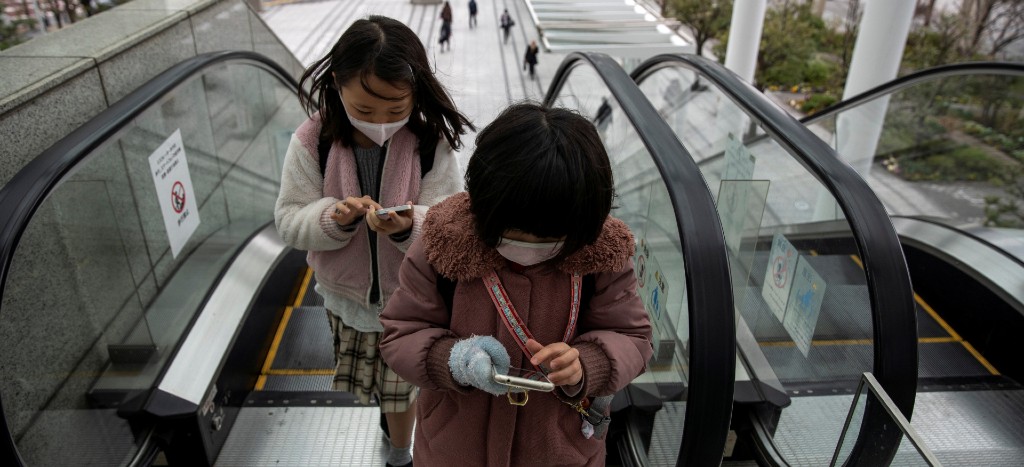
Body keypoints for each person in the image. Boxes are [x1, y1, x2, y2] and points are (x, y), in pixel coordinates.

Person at [379, 103, 654, 466]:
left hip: (560, 450)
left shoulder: (602, 257)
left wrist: (587, 364)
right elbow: (401, 333)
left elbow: (633, 337)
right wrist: (455, 361)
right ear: (483, 205)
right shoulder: (440, 245)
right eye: (513, 234)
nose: (530, 248)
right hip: (454, 449)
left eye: (550, 239)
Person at [274, 15, 472, 467]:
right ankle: (394, 430)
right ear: (337, 87)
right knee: (382, 389)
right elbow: (287, 219)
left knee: (402, 391)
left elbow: (450, 224)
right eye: (364, 110)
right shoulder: (314, 141)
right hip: (346, 298)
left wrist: (408, 226)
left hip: (412, 300)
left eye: (395, 109)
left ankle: (401, 456)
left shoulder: (429, 144)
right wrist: (333, 219)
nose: (380, 123)